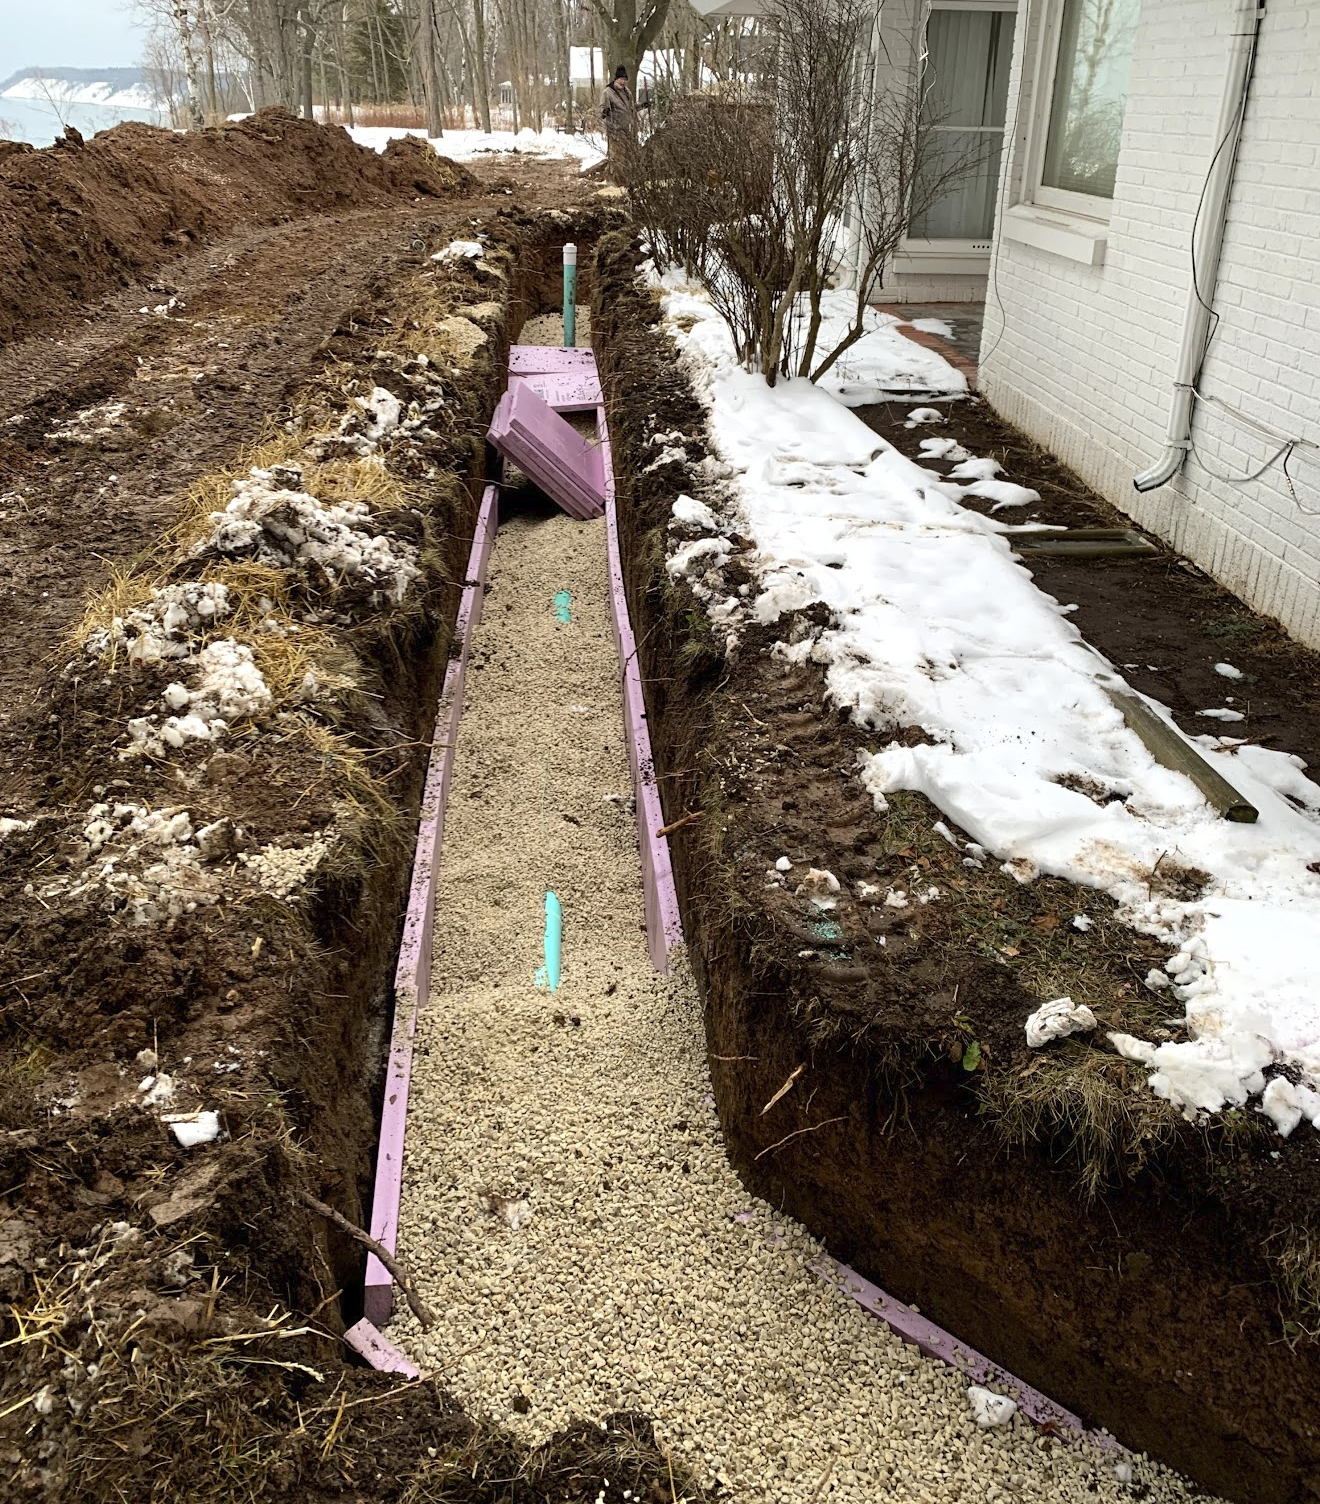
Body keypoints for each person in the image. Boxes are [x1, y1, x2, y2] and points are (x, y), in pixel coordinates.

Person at [600, 64, 637, 172]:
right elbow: (600, 109)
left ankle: (624, 179)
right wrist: (605, 112)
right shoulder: (607, 92)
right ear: (616, 79)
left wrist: (642, 105)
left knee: (626, 157)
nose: (623, 82)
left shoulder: (627, 92)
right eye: (621, 79)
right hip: (614, 130)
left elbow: (631, 108)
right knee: (616, 157)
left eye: (625, 79)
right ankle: (614, 180)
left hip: (627, 130)